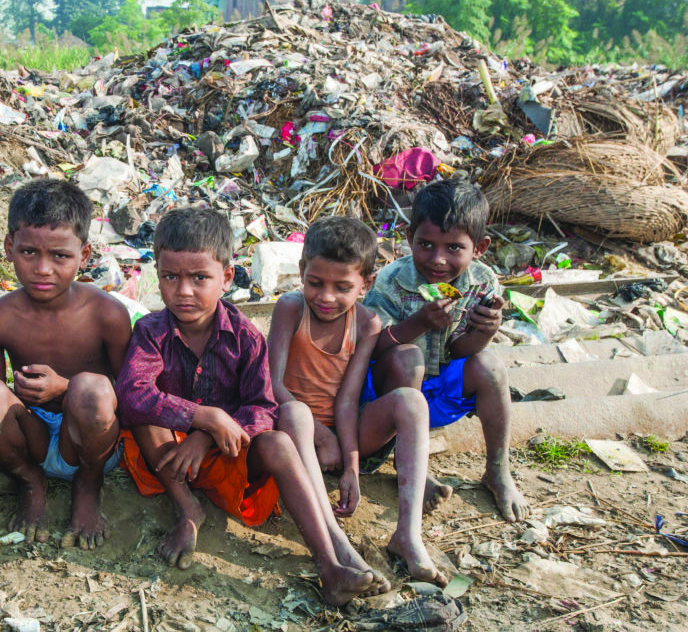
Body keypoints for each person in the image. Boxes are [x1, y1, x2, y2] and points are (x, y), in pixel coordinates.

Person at [116, 207, 380, 606]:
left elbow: (262, 407)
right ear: (157, 273)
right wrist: (200, 416)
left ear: (226, 277)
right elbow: (132, 393)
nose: (183, 291)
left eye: (199, 278)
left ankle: (330, 566)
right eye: (171, 276)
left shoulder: (245, 336)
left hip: (225, 455)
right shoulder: (150, 331)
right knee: (144, 416)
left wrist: (206, 435)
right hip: (165, 457)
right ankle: (188, 511)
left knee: (278, 443)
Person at [0, 180, 132, 549]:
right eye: (29, 252)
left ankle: (88, 484)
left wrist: (65, 388)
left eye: (60, 256)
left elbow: (129, 391)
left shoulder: (107, 313)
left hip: (90, 438)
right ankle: (30, 482)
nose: (43, 268)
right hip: (31, 437)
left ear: (85, 253)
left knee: (89, 388)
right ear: (8, 248)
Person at [268, 216, 445, 587]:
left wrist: (350, 464)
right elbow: (273, 386)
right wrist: (321, 436)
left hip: (341, 434)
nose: (327, 297)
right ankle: (336, 541)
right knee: (296, 412)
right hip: (293, 432)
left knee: (412, 402)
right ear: (301, 271)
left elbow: (348, 400)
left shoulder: (367, 324)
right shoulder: (290, 308)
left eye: (342, 286)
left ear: (365, 283)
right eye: (315, 283)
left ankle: (408, 537)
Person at [364, 179, 529, 522]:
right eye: (425, 244)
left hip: (441, 392)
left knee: (491, 366)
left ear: (479, 247)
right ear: (409, 238)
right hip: (392, 393)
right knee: (408, 356)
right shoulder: (391, 281)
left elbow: (459, 351)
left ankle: (498, 470)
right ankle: (411, 468)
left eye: (454, 248)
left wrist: (485, 331)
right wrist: (420, 323)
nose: (438, 260)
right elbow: (372, 347)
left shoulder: (482, 283)